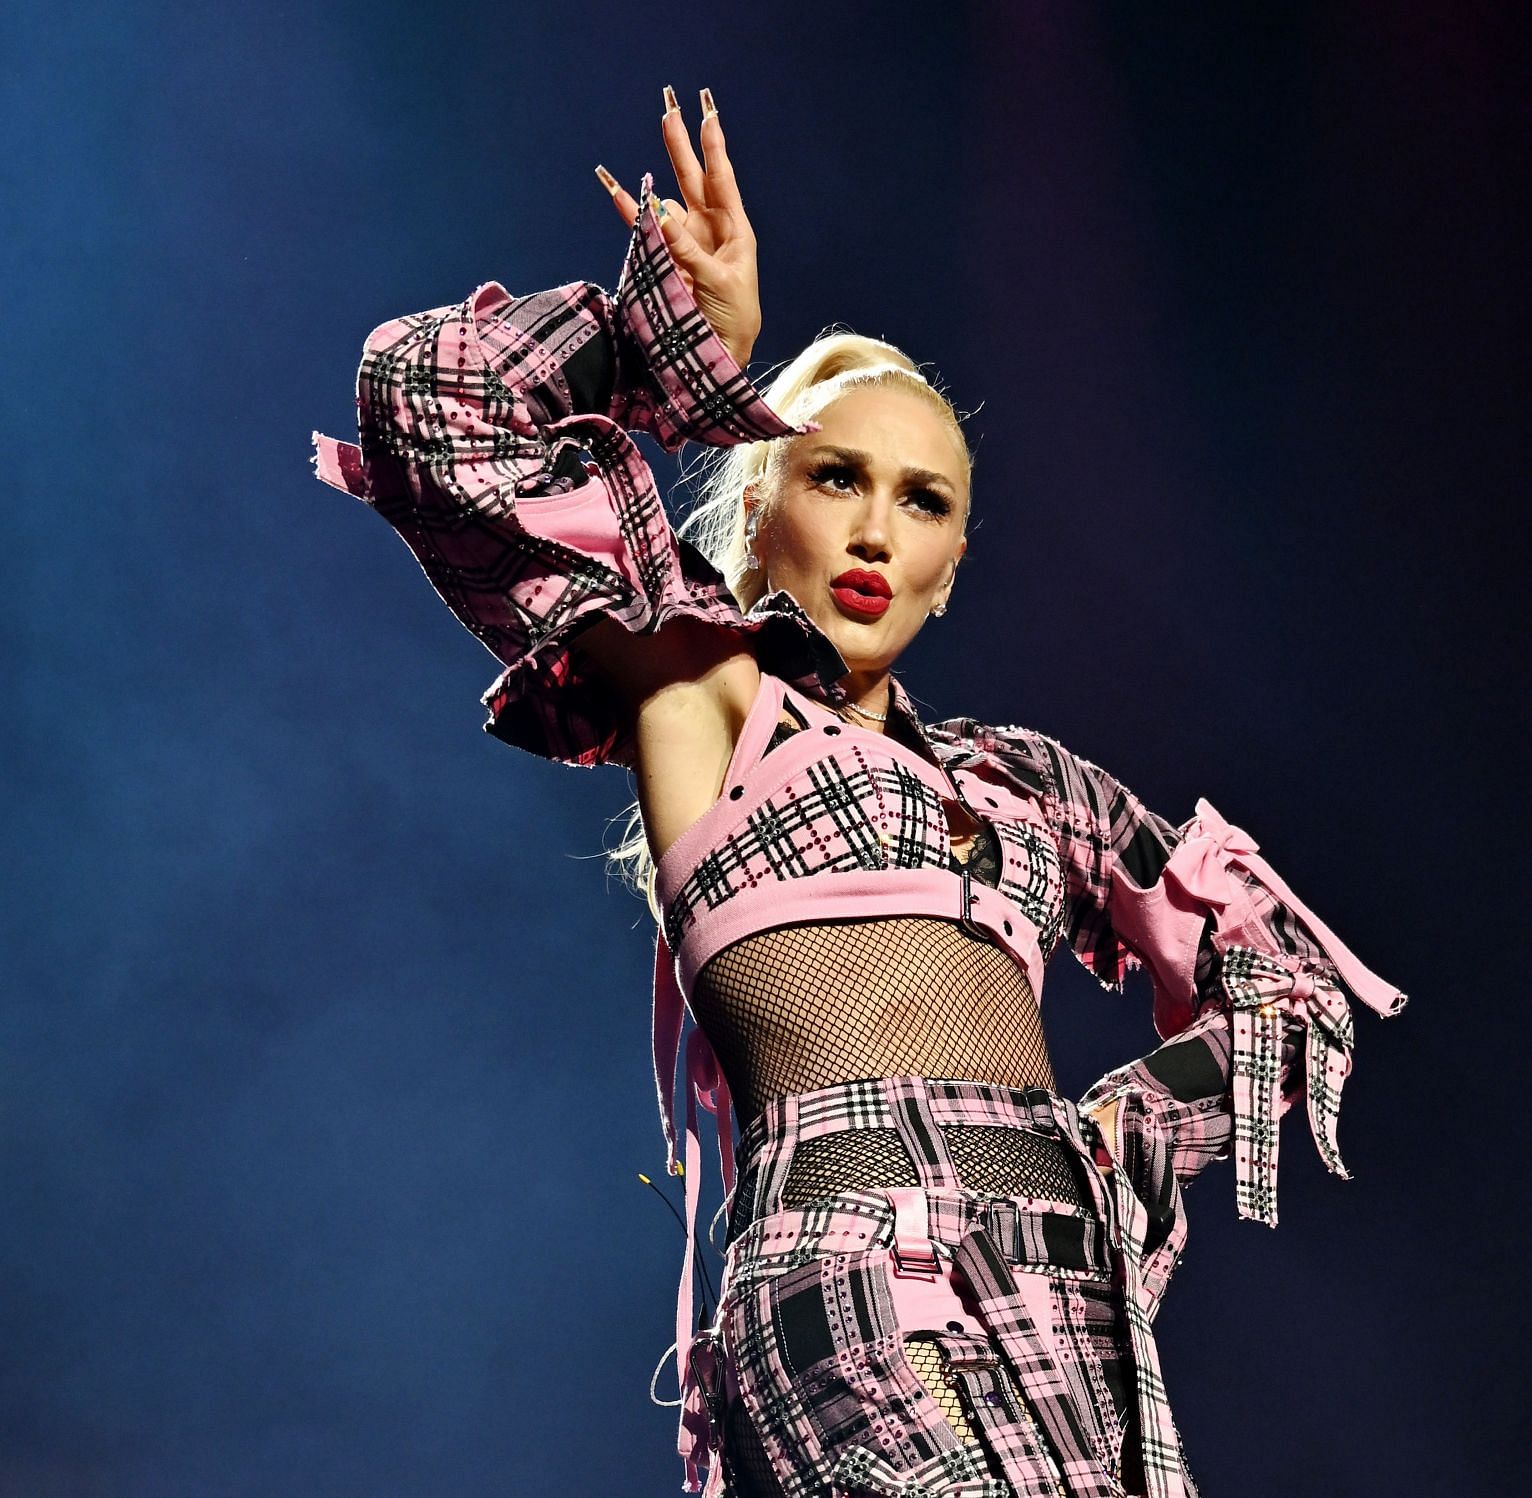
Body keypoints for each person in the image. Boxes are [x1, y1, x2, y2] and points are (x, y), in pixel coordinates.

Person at [310, 85, 1405, 1498]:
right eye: (838, 476)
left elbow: (1292, 990)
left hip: (1076, 1311)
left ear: (952, 570)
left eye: (926, 500)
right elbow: (424, 402)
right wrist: (671, 350)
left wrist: (1123, 1136)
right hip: (848, 1271)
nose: (880, 527)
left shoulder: (1027, 781)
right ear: (759, 502)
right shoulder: (701, 685)